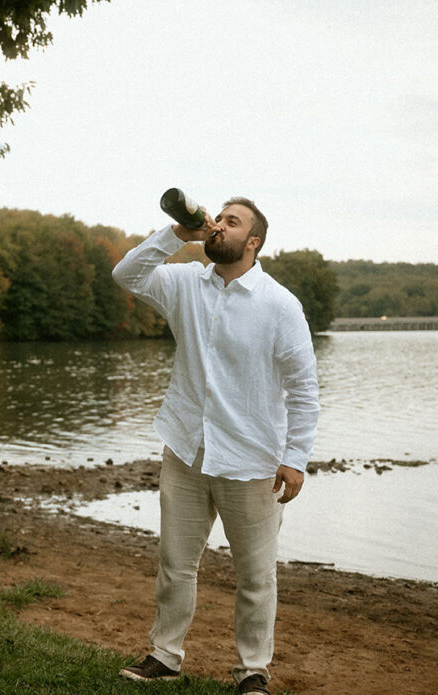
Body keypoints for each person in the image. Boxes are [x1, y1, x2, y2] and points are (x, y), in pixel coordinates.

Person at [112, 197, 319, 695]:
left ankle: (252, 671)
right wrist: (175, 236)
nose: (220, 226)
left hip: (251, 462)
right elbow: (126, 274)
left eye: (233, 222)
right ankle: (164, 655)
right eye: (219, 218)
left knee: (255, 576)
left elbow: (304, 389)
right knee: (175, 563)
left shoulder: (279, 304)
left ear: (253, 243)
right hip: (186, 450)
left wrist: (294, 459)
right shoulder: (185, 283)